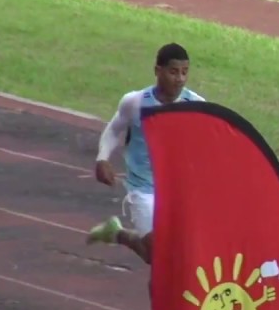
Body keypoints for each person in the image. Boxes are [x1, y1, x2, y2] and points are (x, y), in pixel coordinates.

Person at [86, 43, 204, 264]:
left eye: (184, 72)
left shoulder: (197, 106)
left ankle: (117, 233)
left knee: (166, 256)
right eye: (173, 72)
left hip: (178, 191)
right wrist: (102, 159)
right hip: (143, 188)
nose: (180, 79)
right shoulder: (136, 102)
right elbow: (114, 130)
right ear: (158, 71)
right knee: (160, 251)